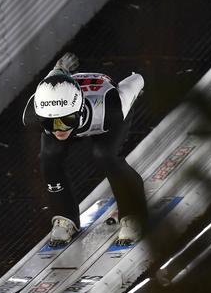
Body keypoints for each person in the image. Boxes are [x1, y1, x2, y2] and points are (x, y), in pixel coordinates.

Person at [22, 53, 147, 246]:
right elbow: (50, 85)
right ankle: (65, 216)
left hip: (103, 114)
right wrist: (58, 70)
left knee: (105, 155)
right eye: (49, 123)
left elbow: (136, 80)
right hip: (76, 104)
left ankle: (133, 212)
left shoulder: (110, 107)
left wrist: (139, 81)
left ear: (80, 110)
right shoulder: (34, 116)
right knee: (49, 156)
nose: (59, 129)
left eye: (67, 121)